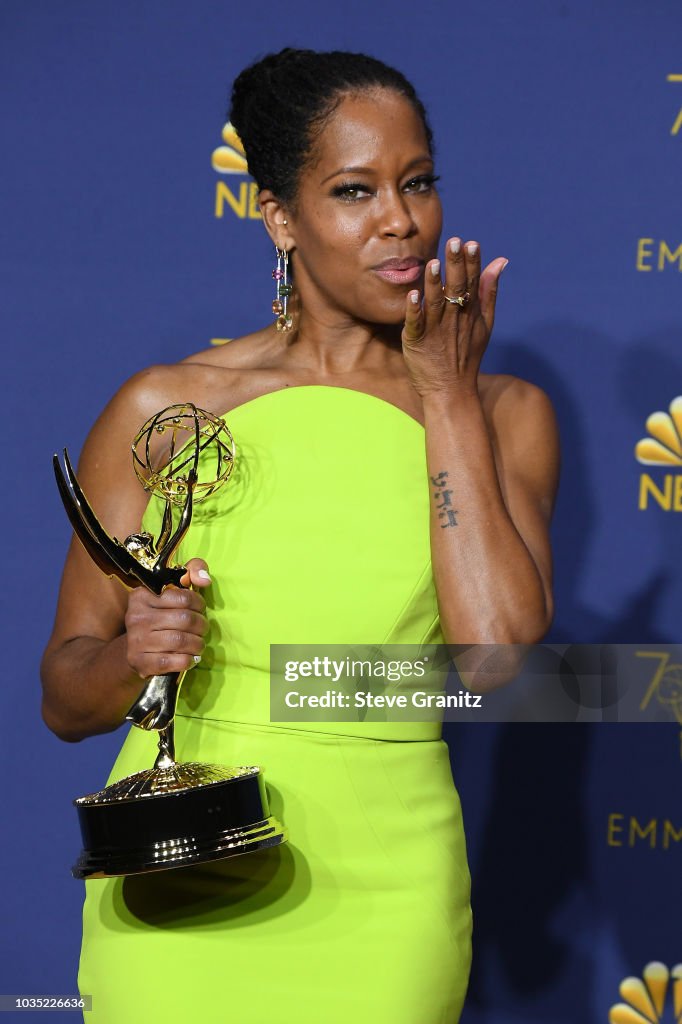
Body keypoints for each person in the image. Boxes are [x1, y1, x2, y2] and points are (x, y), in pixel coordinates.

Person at [41, 47, 559, 1024]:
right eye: (354, 191)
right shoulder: (167, 405)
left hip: (387, 892)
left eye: (417, 183)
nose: (399, 218)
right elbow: (64, 693)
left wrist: (444, 394)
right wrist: (127, 658)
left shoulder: (504, 411)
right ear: (279, 215)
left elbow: (494, 655)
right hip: (182, 879)